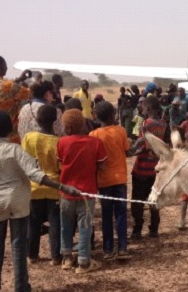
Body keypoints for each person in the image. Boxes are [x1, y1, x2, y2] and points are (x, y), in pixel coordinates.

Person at [0, 111, 79, 292]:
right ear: (11, 131)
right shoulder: (15, 150)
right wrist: (62, 186)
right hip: (18, 201)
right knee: (18, 246)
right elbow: (35, 174)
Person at [57, 109, 106, 273]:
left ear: (68, 129)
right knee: (85, 227)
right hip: (87, 193)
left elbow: (59, 164)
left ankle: (67, 258)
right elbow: (102, 166)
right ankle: (84, 262)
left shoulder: (62, 142)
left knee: (66, 226)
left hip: (66, 193)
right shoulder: (95, 142)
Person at [89, 101, 132, 260]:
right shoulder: (120, 131)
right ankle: (122, 247)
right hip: (120, 178)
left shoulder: (93, 135)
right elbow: (127, 152)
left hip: (103, 180)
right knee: (121, 213)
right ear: (113, 115)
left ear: (96, 116)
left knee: (106, 215)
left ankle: (108, 250)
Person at [21, 104, 63, 266]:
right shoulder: (58, 142)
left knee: (33, 222)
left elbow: (25, 162)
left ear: (37, 119)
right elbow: (60, 167)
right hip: (54, 188)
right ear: (55, 120)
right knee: (55, 223)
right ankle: (55, 256)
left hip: (33, 187)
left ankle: (32, 255)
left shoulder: (29, 138)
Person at [130, 96, 167, 240]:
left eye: (144, 107)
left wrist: (132, 150)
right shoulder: (163, 123)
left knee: (137, 201)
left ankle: (137, 229)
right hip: (156, 167)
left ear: (149, 108)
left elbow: (142, 144)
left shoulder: (146, 123)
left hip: (142, 168)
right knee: (154, 199)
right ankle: (154, 228)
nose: (142, 109)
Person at [0, 54, 32, 144]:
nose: (6, 68)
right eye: (5, 65)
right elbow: (29, 94)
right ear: (0, 67)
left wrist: (19, 79)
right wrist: (25, 85)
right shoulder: (8, 86)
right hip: (10, 134)